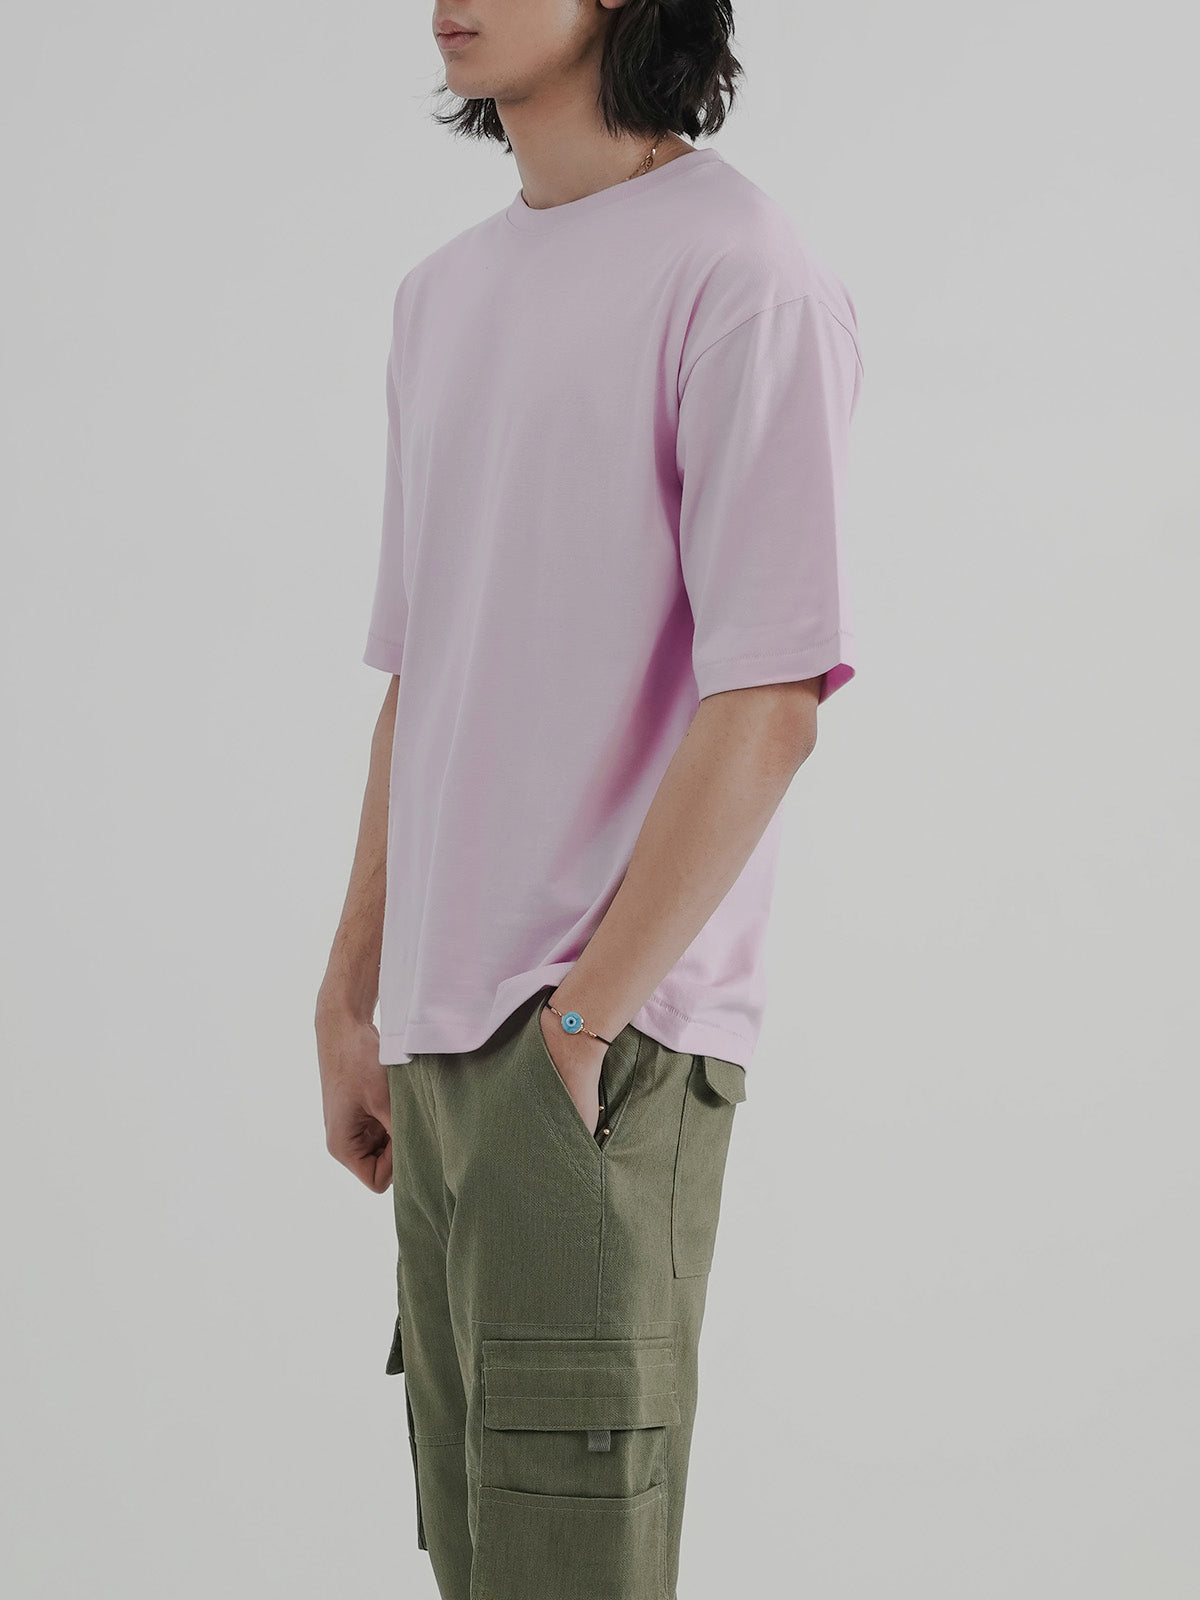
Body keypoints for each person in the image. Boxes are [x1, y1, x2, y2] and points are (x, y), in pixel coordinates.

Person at [314, 2, 864, 1595]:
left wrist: (580, 1023)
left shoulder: (744, 275)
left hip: (595, 1050)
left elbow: (770, 701)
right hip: (439, 1051)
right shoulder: (440, 299)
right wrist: (353, 993)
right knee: (483, 1563)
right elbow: (423, 676)